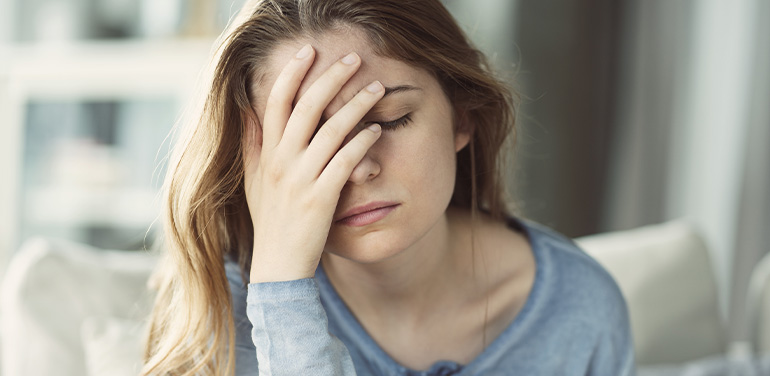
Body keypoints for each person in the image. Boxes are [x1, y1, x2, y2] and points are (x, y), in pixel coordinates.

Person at [141, 0, 636, 375]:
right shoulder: (220, 310)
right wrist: (281, 294)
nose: (357, 169)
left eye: (391, 120)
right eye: (310, 139)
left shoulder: (579, 310)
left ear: (462, 118)